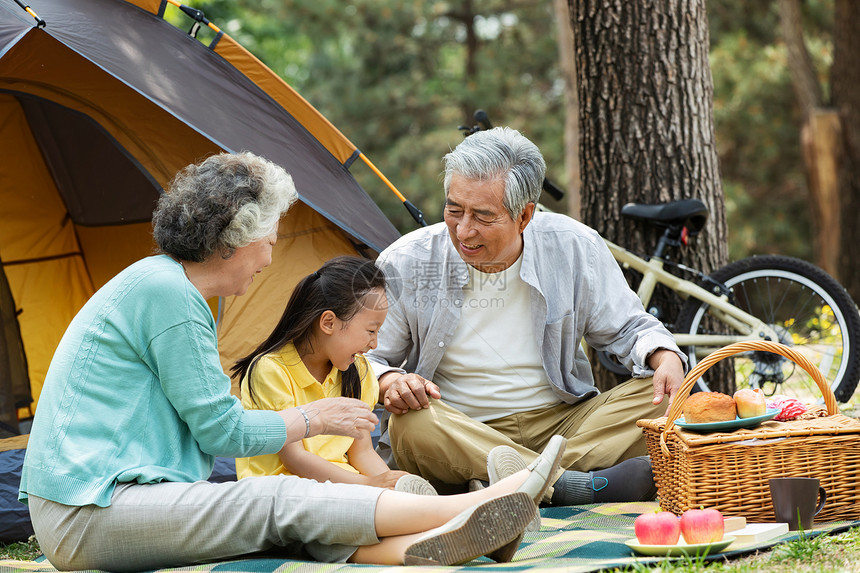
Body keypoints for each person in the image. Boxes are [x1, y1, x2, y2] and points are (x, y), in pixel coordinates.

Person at [17, 151, 564, 571]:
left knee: (283, 516)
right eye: (268, 241)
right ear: (235, 240)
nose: (270, 259)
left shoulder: (166, 287)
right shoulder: (169, 295)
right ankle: (487, 504)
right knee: (274, 497)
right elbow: (219, 431)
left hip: (103, 501)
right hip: (88, 512)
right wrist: (316, 418)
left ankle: (435, 544)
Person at [366, 127, 687, 507]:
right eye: (454, 209)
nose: (464, 230)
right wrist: (390, 381)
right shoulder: (409, 260)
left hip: (564, 423)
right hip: (459, 427)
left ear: (524, 216)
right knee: (410, 424)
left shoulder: (573, 246)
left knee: (665, 396)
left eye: (483, 216)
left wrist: (663, 356)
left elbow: (630, 328)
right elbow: (367, 357)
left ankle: (503, 484)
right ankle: (569, 485)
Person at [233, 255, 435, 495]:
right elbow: (294, 459)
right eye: (371, 330)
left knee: (402, 504)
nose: (374, 343)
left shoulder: (359, 372)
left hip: (343, 487)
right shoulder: (271, 370)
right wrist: (370, 485)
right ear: (328, 322)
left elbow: (361, 452)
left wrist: (387, 483)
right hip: (282, 491)